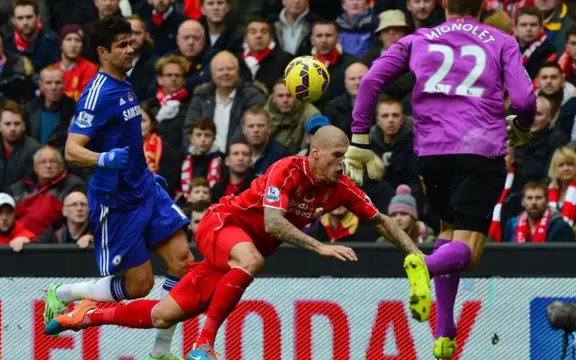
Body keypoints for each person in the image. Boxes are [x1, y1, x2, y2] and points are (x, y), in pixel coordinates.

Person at [43, 126, 424, 360]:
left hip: (236, 252)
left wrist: (418, 255)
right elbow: (274, 223)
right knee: (251, 260)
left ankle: (86, 315)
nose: (341, 164)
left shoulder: (340, 189)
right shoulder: (285, 169)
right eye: (336, 156)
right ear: (316, 153)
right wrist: (319, 247)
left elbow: (385, 221)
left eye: (344, 158)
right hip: (220, 224)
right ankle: (203, 344)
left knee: (164, 314)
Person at [345, 0, 537, 358]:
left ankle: (444, 334)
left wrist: (359, 138)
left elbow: (371, 80)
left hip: (431, 154)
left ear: (445, 5)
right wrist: (521, 126)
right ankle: (425, 264)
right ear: (481, 5)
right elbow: (525, 100)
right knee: (470, 252)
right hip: (480, 149)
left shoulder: (419, 38)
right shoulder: (501, 40)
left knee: (448, 233)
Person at [41, 17, 193, 360]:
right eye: (122, 45)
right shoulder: (96, 94)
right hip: (117, 201)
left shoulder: (126, 84)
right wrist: (104, 158)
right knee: (140, 286)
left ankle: (161, 353)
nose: (130, 49)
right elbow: (71, 149)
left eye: (131, 42)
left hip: (146, 189)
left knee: (183, 262)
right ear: (102, 52)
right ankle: (61, 293)